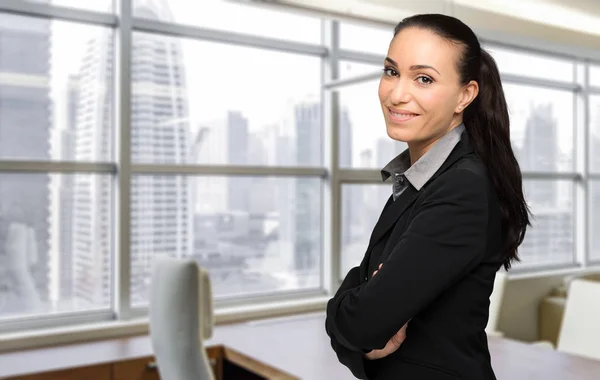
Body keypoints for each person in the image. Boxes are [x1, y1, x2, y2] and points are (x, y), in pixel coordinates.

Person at [325, 13, 531, 380]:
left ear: (465, 95)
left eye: (423, 79)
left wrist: (349, 310)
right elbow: (363, 308)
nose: (397, 93)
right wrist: (360, 315)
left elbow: (363, 322)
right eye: (391, 71)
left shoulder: (461, 188)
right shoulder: (421, 178)